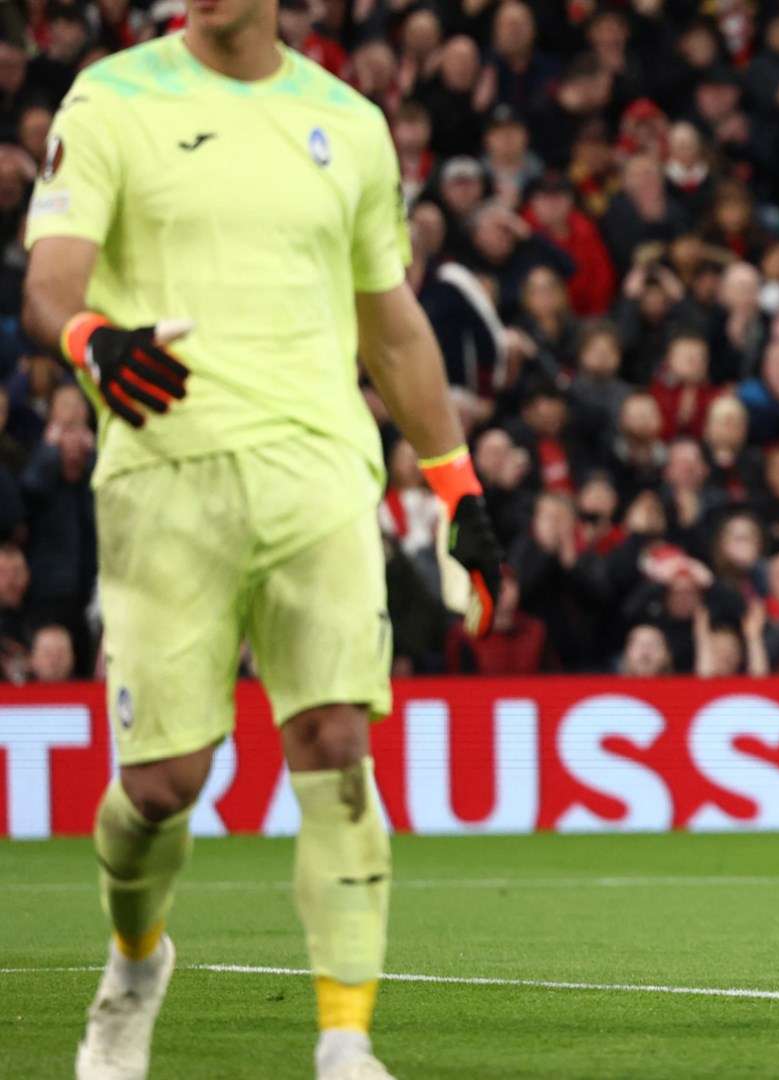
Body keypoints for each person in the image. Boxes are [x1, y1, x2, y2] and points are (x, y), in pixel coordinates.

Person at [23, 2, 508, 1077]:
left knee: (336, 744)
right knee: (162, 786)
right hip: (164, 475)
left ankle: (345, 1043)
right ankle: (137, 957)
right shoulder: (113, 98)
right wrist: (92, 338)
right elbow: (49, 280)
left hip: (322, 476)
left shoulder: (350, 122)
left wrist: (456, 485)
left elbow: (391, 324)